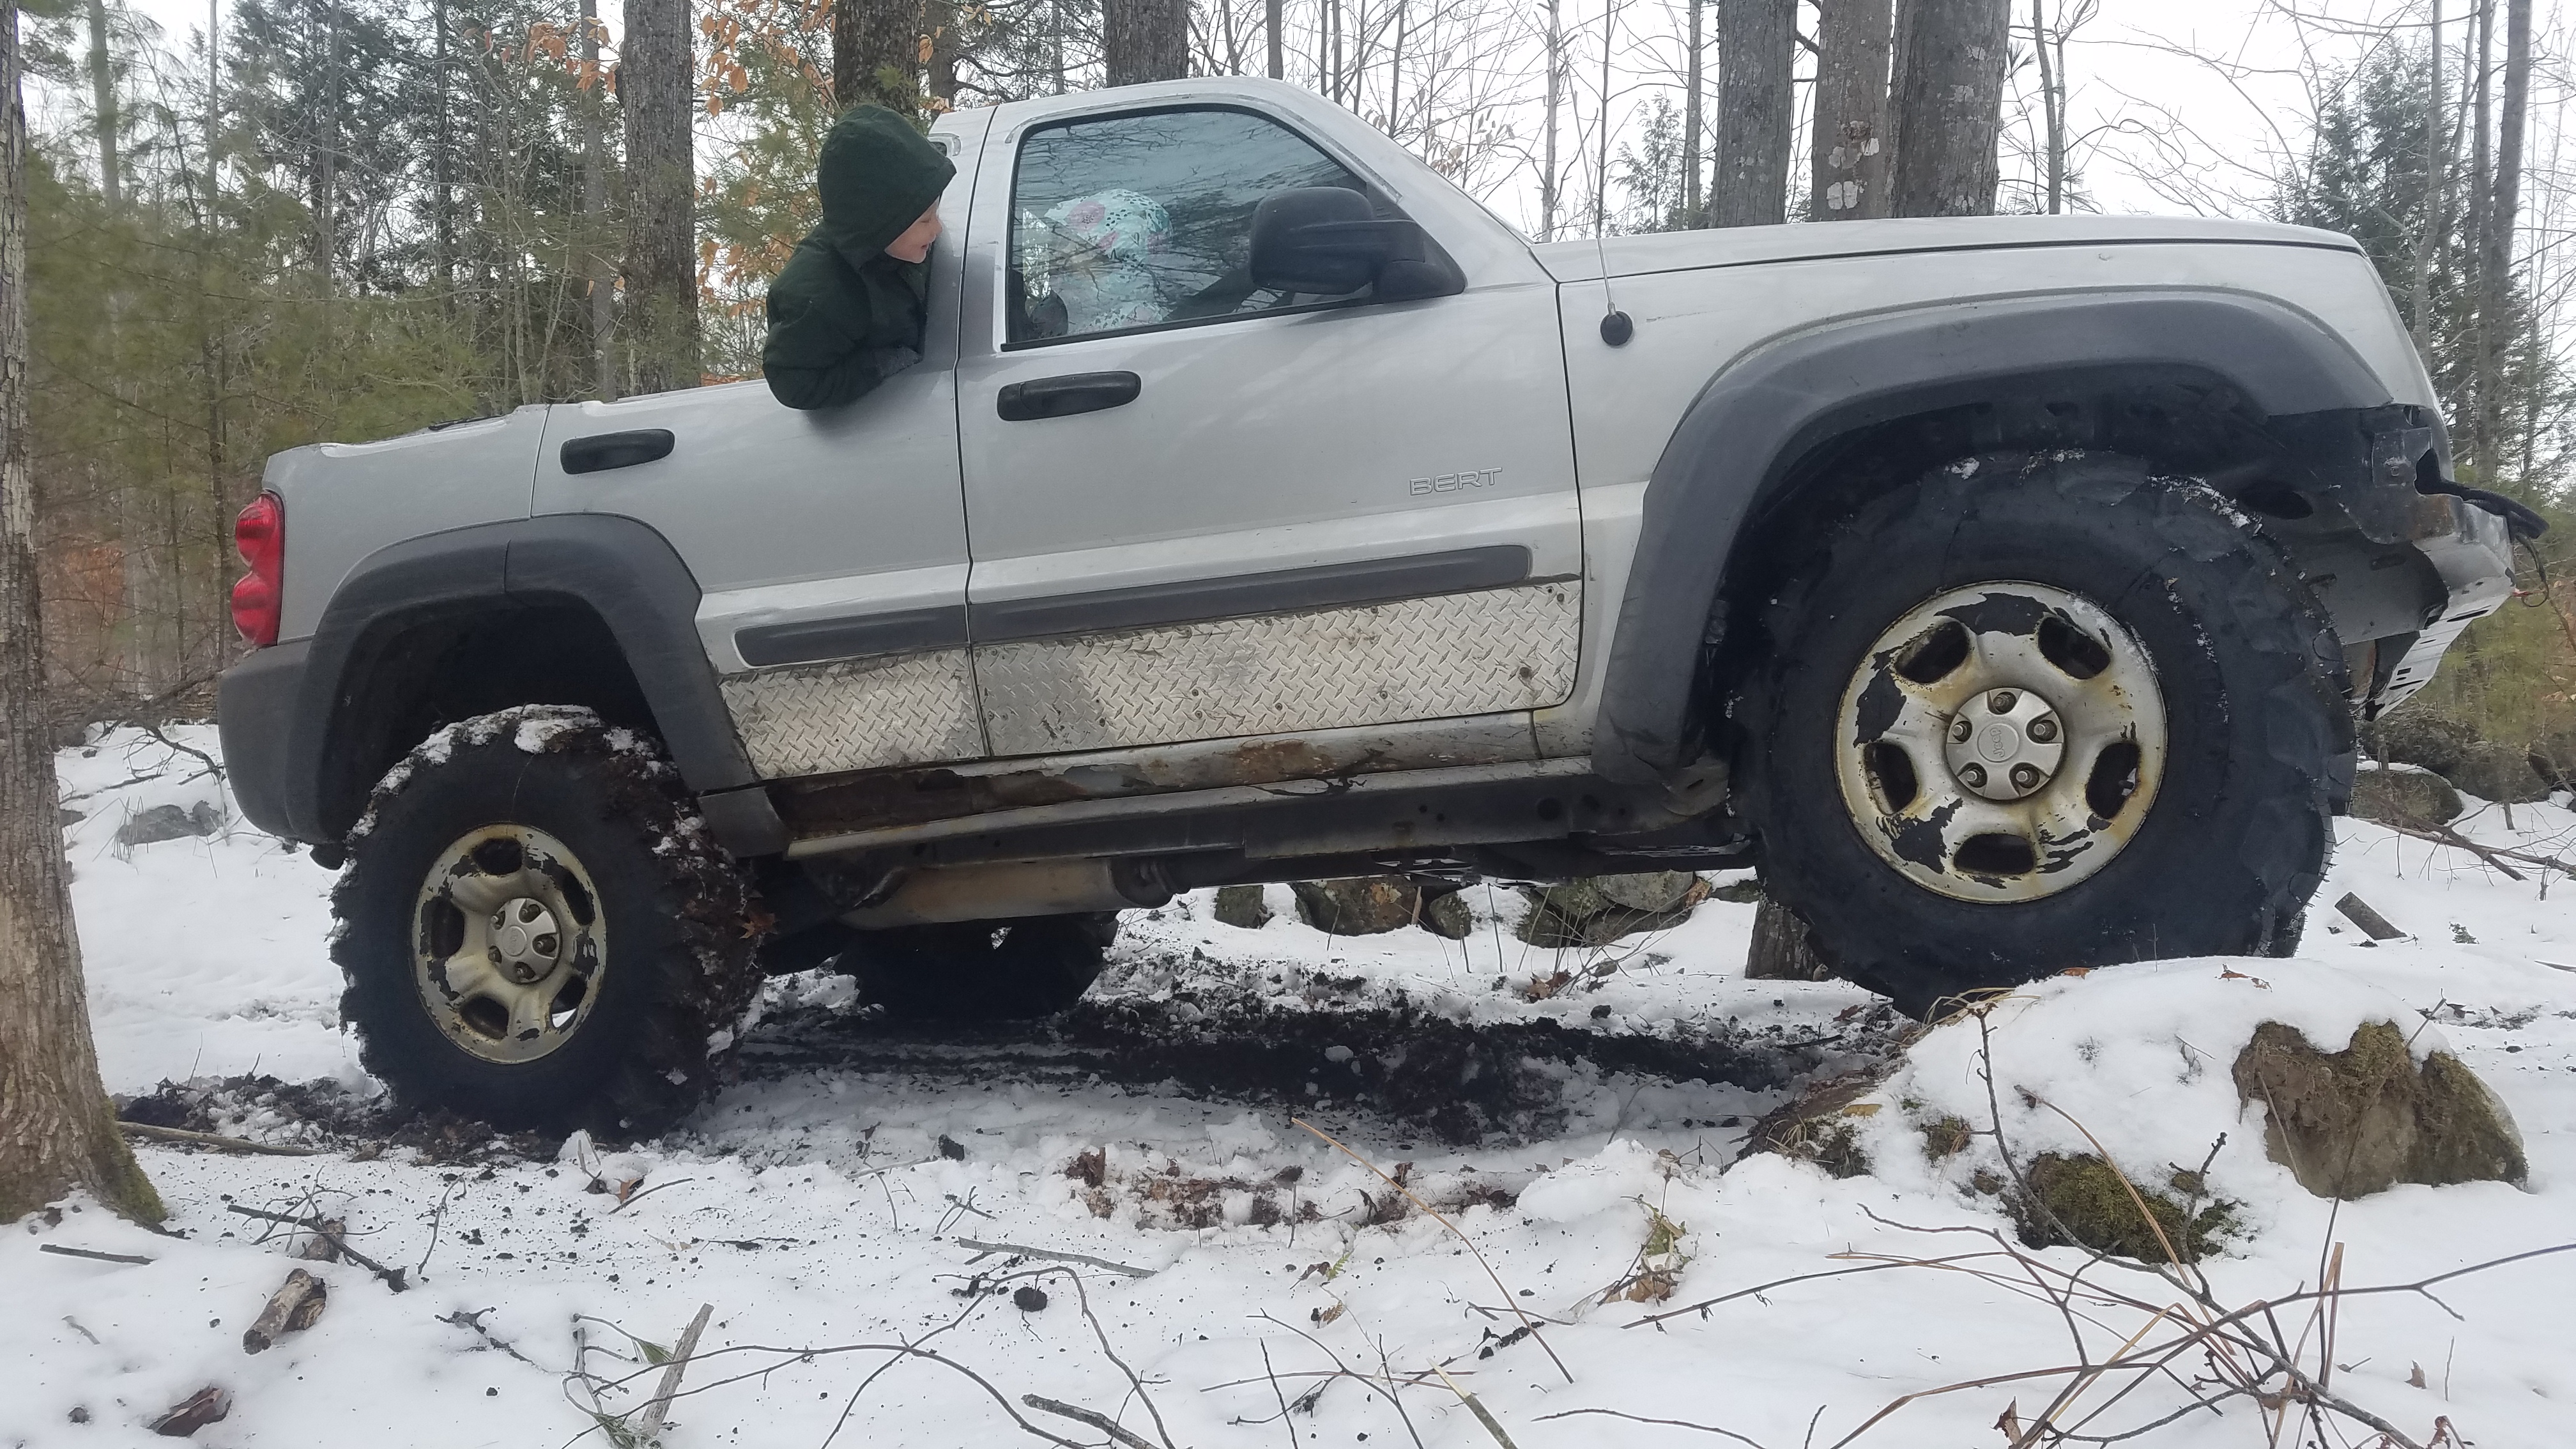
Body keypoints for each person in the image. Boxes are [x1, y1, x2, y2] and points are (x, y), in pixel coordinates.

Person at [762, 106, 956, 411]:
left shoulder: (904, 249)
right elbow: (794, 383)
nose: (939, 228)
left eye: (935, 214)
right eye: (925, 220)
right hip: (870, 436)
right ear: (882, 223)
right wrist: (877, 366)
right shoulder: (822, 298)